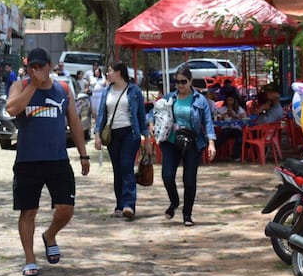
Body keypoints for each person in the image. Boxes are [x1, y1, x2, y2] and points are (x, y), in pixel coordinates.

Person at [4, 47, 90, 276]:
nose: (36, 70)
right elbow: (11, 109)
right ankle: (30, 259)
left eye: (40, 66)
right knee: (28, 211)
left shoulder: (62, 89)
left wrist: (83, 154)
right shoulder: (20, 86)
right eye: (32, 66)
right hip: (28, 161)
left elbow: (75, 123)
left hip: (58, 159)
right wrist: (33, 84)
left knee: (66, 208)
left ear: (50, 66)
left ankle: (50, 234)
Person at [149, 66, 216, 227]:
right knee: (167, 176)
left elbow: (208, 122)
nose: (180, 85)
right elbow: (154, 112)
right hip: (171, 141)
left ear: (190, 81)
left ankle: (187, 214)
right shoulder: (169, 98)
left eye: (183, 82)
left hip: (193, 143)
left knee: (189, 181)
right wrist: (151, 124)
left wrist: (211, 142)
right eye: (177, 82)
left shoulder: (200, 100)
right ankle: (174, 202)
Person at [94, 61, 149, 220]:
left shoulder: (134, 91)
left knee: (126, 166)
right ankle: (119, 204)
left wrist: (146, 138)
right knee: (118, 169)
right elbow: (101, 115)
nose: (107, 74)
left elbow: (141, 116)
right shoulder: (106, 91)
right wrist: (97, 134)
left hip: (130, 134)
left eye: (109, 71)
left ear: (118, 73)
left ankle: (129, 205)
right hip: (112, 134)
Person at [215, 93, 247, 159]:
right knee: (223, 135)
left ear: (235, 101)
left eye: (231, 100)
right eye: (228, 100)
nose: (229, 102)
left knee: (240, 137)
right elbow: (217, 116)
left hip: (236, 128)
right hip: (226, 128)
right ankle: (213, 151)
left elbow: (244, 120)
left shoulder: (239, 109)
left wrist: (235, 116)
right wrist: (222, 116)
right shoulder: (222, 109)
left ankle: (235, 155)